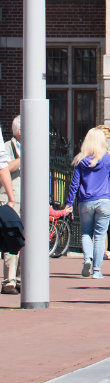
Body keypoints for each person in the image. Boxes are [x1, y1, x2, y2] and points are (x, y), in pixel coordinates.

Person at [64, 128, 110, 279]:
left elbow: (74, 184)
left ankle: (87, 258)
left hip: (85, 201)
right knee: (100, 235)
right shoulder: (108, 159)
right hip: (105, 200)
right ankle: (96, 270)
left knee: (86, 233)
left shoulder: (81, 160)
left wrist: (69, 203)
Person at [1, 118, 19, 294]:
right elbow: (5, 166)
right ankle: (9, 281)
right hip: (11, 200)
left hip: (28, 199)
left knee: (24, 238)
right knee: (11, 237)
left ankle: (21, 278)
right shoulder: (7, 146)